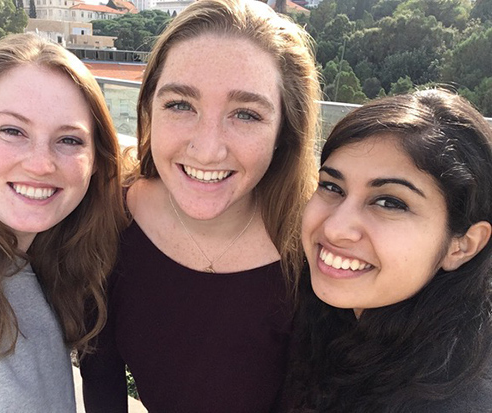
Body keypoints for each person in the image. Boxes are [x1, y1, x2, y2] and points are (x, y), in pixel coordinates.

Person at [80, 0, 321, 411]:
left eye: (245, 114)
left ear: (285, 129)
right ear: (149, 109)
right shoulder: (109, 217)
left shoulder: (317, 250)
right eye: (180, 105)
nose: (207, 150)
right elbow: (100, 372)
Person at [0, 33, 125, 412]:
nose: (41, 164)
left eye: (70, 140)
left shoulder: (41, 265)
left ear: (96, 163)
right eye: (12, 131)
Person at [281, 89, 492, 412]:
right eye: (331, 187)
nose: (336, 228)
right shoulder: (329, 322)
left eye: (389, 202)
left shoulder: (461, 398)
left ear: (463, 245)